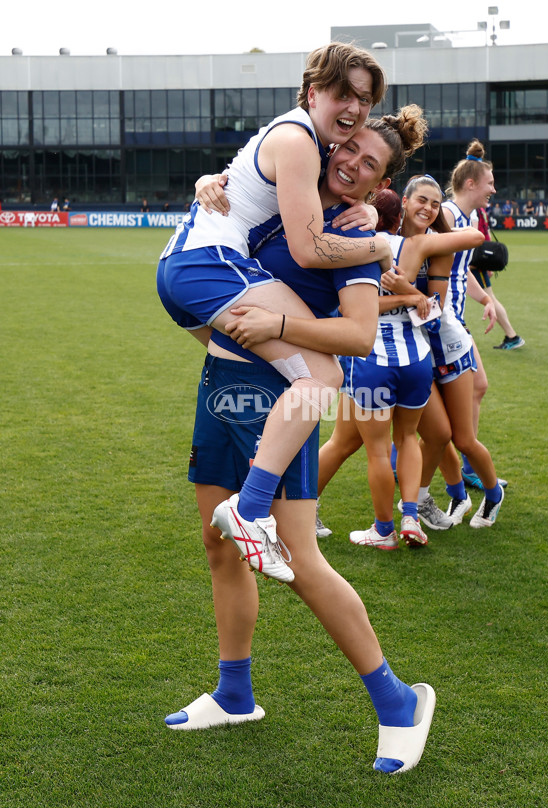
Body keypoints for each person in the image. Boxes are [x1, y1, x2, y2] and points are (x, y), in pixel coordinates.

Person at [163, 108, 437, 775]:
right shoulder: (288, 199)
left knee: (301, 562)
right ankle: (234, 694)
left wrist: (283, 320)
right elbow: (230, 227)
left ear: (380, 183)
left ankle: (398, 702)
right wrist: (210, 182)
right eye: (348, 149)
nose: (350, 163)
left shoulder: (352, 232)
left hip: (285, 403)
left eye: (369, 164)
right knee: (218, 545)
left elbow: (357, 339)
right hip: (222, 386)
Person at [157, 42, 393, 584]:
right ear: (313, 93)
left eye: (364, 99)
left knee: (278, 375)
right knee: (322, 373)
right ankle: (252, 507)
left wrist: (205, 181)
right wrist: (381, 247)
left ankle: (252, 495)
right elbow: (310, 250)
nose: (354, 107)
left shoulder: (297, 138)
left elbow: (242, 186)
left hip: (185, 270)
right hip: (207, 266)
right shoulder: (300, 140)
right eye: (343, 93)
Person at [316, 177, 484, 538]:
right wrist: (410, 297)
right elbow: (357, 307)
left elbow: (432, 306)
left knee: (430, 436)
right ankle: (402, 512)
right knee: (355, 441)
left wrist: (410, 292)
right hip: (399, 357)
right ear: (402, 206)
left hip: (388, 358)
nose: (428, 209)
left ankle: (403, 516)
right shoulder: (402, 245)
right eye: (421, 201)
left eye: (436, 204)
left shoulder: (423, 244)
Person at [420, 141, 506, 528]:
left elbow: (459, 271)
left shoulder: (465, 222)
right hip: (441, 327)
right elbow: (432, 267)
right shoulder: (448, 216)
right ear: (471, 183)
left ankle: (467, 473)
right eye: (489, 182)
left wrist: (485, 297)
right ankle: (463, 478)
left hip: (450, 328)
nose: (493, 189)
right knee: (448, 427)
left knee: (474, 397)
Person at [470, 206, 525, 351]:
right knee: (489, 297)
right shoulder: (480, 209)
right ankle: (512, 336)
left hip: (474, 262)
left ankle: (512, 336)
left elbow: (478, 234)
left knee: (490, 298)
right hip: (479, 259)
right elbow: (486, 233)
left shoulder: (474, 209)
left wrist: (485, 263)